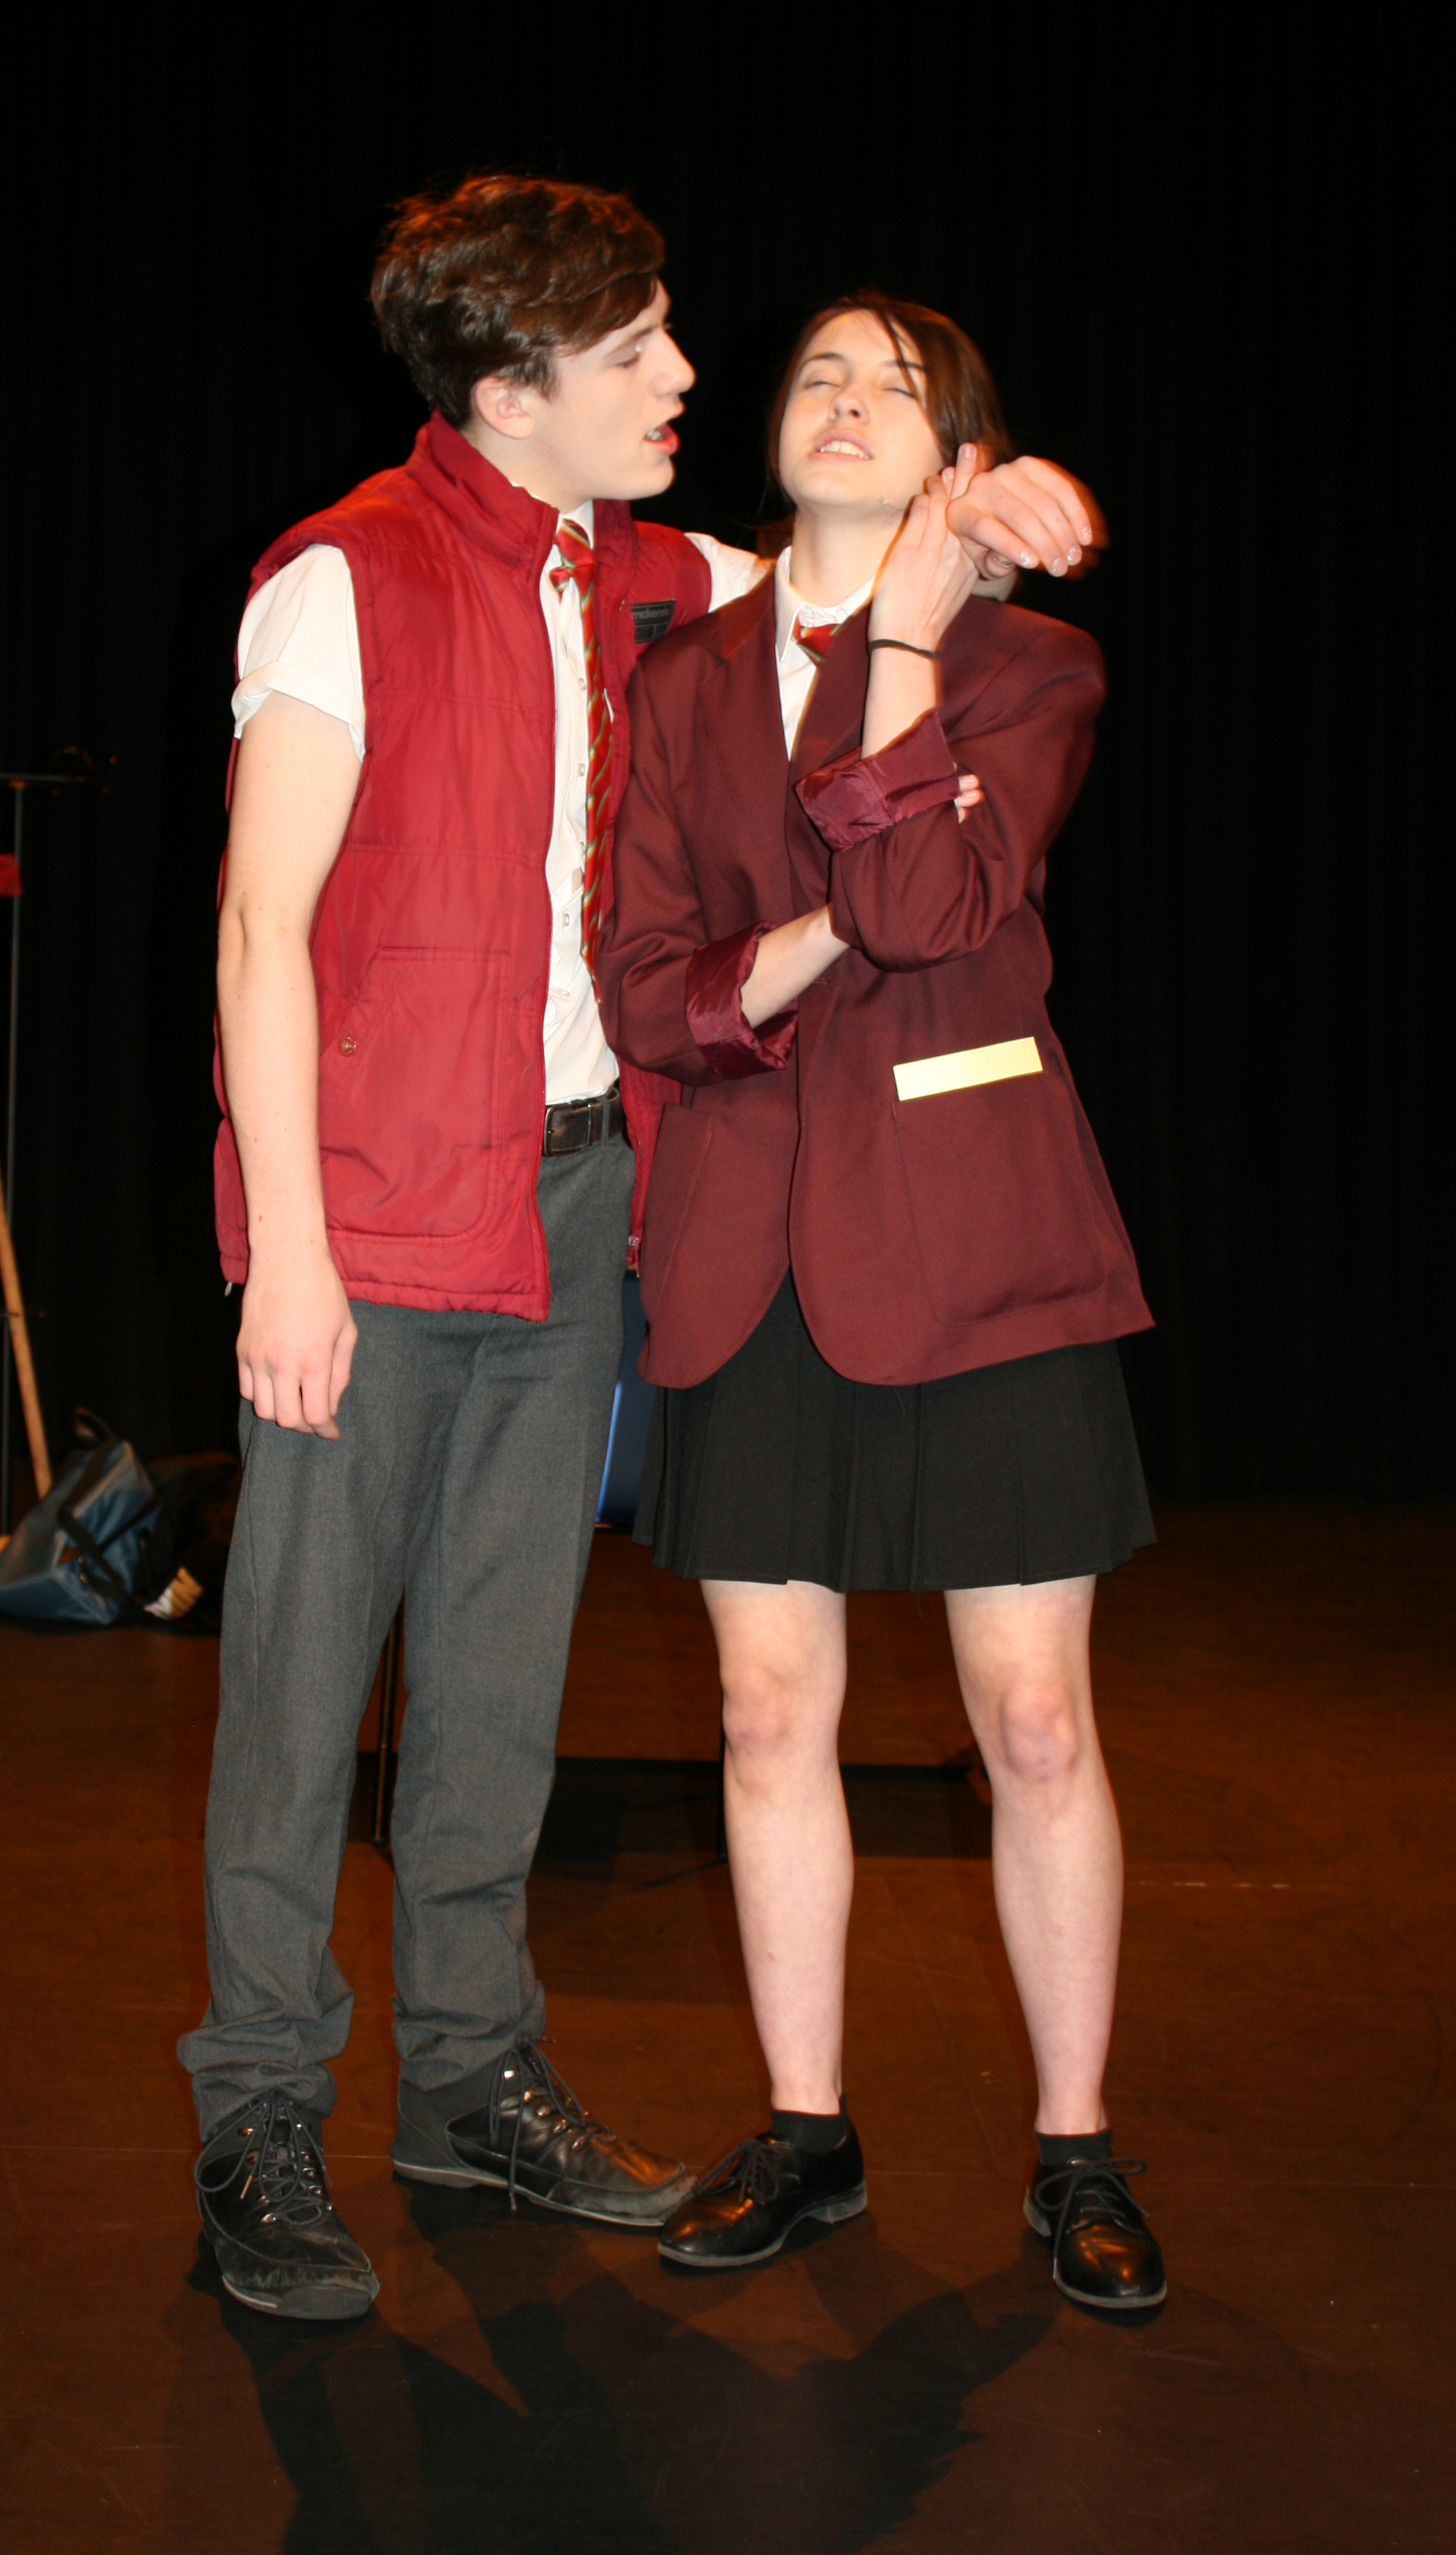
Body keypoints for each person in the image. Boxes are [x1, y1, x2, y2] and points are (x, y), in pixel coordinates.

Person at [181, 180, 1102, 2322]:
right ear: (514, 392)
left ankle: (468, 2078)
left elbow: (863, 571)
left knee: (501, 1677)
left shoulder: (649, 573)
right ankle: (260, 2109)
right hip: (374, 1212)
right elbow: (256, 930)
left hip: (586, 1195)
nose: (692, 374)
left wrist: (1003, 492)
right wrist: (288, 1247)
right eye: (640, 352)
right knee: (303, 1687)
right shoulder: (343, 579)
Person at [598, 290, 1166, 2310]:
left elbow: (927, 911)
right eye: (818, 375)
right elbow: (647, 994)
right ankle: (806, 2130)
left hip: (977, 1231)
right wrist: (800, 948)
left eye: (894, 388)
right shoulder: (681, 680)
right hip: (749, 1241)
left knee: (1034, 1721)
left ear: (961, 462)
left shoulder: (1032, 663)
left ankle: (1077, 2148)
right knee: (767, 1715)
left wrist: (909, 645)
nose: (842, 401)